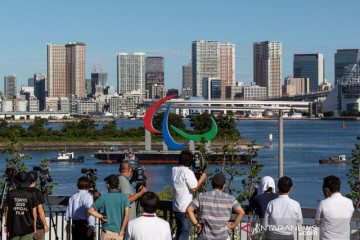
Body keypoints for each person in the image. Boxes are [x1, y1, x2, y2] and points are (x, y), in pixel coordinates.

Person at [186, 173, 245, 240]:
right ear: (224, 185)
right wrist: (232, 226)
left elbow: (189, 209)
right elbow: (241, 212)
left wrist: (196, 224)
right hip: (223, 236)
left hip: (205, 236)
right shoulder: (230, 198)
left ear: (212, 183)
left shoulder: (201, 196)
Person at [172, 150, 206, 240]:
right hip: (185, 208)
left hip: (176, 206)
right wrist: (202, 178)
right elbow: (194, 188)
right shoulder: (188, 173)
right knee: (185, 231)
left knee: (180, 230)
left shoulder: (174, 170)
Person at [88, 174, 130, 240]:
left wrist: (101, 217)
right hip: (119, 233)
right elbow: (126, 215)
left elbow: (90, 210)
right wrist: (122, 231)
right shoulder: (124, 197)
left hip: (106, 232)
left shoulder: (103, 197)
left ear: (108, 185)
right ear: (118, 185)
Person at [315, 175, 354, 240]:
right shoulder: (349, 202)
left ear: (327, 189)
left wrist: (326, 198)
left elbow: (317, 223)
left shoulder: (323, 203)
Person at [5, 171, 39, 240]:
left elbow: (7, 211)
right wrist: (34, 225)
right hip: (28, 227)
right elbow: (34, 211)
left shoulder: (10, 194)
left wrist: (6, 225)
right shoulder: (32, 194)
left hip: (14, 227)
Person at [27, 171, 49, 240]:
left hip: (26, 225)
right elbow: (40, 211)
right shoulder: (37, 192)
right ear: (36, 180)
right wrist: (45, 224)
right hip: (38, 225)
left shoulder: (23, 191)